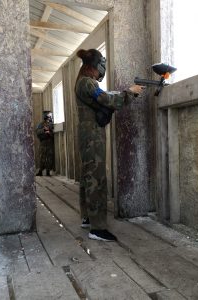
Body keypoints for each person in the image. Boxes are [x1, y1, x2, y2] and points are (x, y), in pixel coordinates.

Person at [75, 48, 144, 241]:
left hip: (88, 135)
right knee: (96, 178)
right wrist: (131, 93)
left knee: (88, 175)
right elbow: (109, 100)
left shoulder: (83, 82)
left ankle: (88, 217)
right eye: (101, 67)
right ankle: (97, 229)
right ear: (95, 67)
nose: (101, 71)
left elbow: (103, 97)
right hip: (92, 137)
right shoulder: (87, 82)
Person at [36, 111, 54, 176]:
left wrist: (49, 133)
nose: (49, 118)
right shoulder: (41, 124)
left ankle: (48, 171)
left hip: (49, 142)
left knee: (49, 156)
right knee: (42, 156)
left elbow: (53, 133)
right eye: (48, 116)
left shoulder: (51, 124)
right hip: (43, 142)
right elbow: (37, 132)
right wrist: (43, 130)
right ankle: (40, 170)